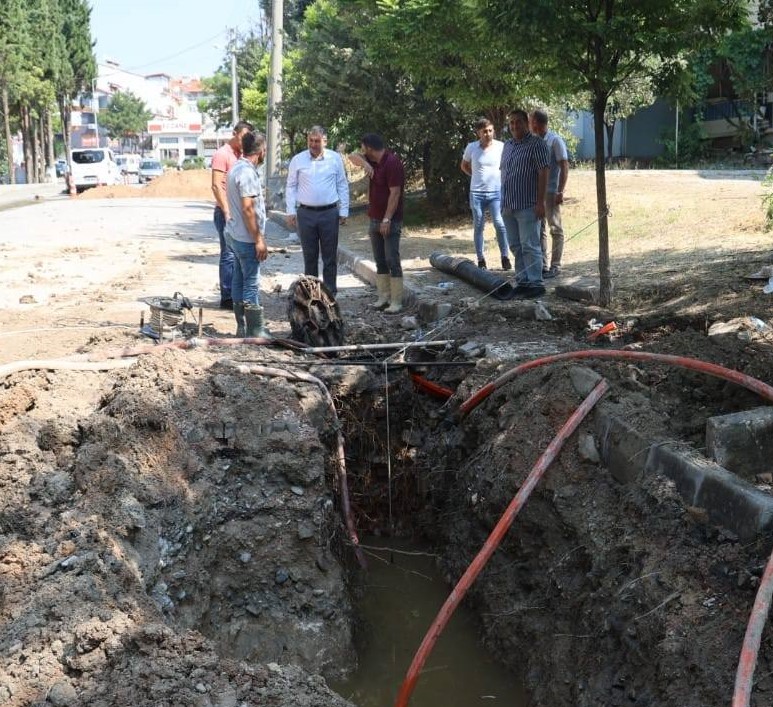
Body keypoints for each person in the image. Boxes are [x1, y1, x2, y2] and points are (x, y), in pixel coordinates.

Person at [285, 126, 349, 297]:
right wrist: (290, 211)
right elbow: (291, 186)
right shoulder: (298, 160)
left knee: (329, 256)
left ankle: (330, 294)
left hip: (329, 213)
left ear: (325, 141)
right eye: (310, 140)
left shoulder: (335, 159)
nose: (313, 144)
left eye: (317, 141)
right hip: (305, 214)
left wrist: (344, 211)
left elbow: (342, 184)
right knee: (310, 256)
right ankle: (311, 295)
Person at [348, 133, 406, 313]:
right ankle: (383, 296)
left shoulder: (392, 162)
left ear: (369, 148)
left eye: (363, 147)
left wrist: (387, 219)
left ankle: (396, 300)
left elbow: (395, 193)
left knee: (391, 258)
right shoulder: (372, 160)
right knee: (379, 259)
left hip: (390, 220)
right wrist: (365, 163)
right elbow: (352, 156)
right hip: (374, 217)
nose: (362, 150)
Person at [224, 130, 270, 338]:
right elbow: (248, 209)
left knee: (238, 279)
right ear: (261, 150)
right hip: (245, 237)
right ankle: (255, 330)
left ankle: (240, 326)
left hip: (235, 234)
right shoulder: (247, 173)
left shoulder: (236, 168)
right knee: (250, 281)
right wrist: (258, 239)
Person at [500, 109, 550, 298]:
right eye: (511, 123)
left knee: (530, 245)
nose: (514, 126)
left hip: (528, 205)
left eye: (518, 122)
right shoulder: (507, 146)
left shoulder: (537, 144)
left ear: (526, 123)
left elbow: (543, 172)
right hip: (508, 205)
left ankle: (535, 283)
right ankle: (523, 281)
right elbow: (504, 173)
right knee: (515, 245)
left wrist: (540, 202)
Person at [211, 120, 254, 310]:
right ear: (235, 133)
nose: (244, 140)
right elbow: (216, 185)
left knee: (239, 254)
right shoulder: (223, 154)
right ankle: (227, 296)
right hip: (226, 213)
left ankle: (239, 295)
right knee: (228, 254)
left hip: (239, 212)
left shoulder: (242, 155)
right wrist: (227, 211)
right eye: (243, 136)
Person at [460, 117, 511, 271]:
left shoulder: (501, 146)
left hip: (496, 192)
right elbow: (464, 165)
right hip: (477, 193)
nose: (488, 134)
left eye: (490, 130)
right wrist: (475, 175)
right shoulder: (472, 148)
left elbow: (506, 166)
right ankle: (481, 259)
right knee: (479, 226)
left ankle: (505, 257)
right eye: (484, 131)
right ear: (478, 133)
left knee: (500, 224)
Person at [529, 109, 569, 279]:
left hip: (551, 191)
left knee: (555, 228)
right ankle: (542, 265)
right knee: (540, 229)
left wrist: (560, 190)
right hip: (538, 192)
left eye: (530, 121)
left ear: (536, 123)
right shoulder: (535, 141)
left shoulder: (554, 140)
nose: (529, 124)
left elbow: (564, 165)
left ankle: (556, 265)